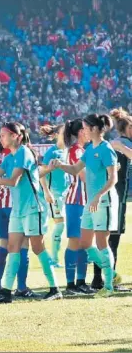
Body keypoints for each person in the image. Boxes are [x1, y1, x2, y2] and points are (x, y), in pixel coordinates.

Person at [0, 122, 62, 303]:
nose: (0, 138)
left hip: (33, 208)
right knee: (12, 248)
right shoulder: (9, 157)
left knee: (38, 248)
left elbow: (13, 181)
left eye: (3, 135)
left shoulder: (24, 152)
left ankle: (55, 289)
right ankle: (6, 292)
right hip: (18, 210)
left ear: (16, 136)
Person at [51, 114, 122, 298]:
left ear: (95, 129)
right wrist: (60, 165)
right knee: (84, 242)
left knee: (101, 243)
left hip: (103, 201)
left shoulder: (106, 149)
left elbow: (113, 178)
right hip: (90, 202)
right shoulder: (90, 149)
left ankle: (108, 286)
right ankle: (112, 275)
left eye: (85, 127)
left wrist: (99, 195)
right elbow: (75, 169)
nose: (83, 131)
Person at [0, 133, 35, 298]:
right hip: (18, 206)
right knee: (23, 247)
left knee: (4, 245)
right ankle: (21, 286)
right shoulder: (21, 153)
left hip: (2, 205)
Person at [92, 108, 132, 291]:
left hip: (104, 195)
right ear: (128, 128)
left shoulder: (112, 144)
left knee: (102, 238)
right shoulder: (122, 145)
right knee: (111, 240)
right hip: (116, 197)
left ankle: (97, 279)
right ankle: (108, 280)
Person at [60, 119, 96, 295]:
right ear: (81, 132)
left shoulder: (81, 150)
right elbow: (83, 176)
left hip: (83, 201)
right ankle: (71, 284)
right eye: (87, 129)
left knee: (83, 242)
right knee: (75, 241)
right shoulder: (77, 151)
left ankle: (80, 281)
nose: (90, 131)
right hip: (76, 201)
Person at [39, 125, 68, 268]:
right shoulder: (51, 151)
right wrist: (46, 191)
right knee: (60, 224)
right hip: (54, 193)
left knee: (66, 225)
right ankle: (54, 259)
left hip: (66, 194)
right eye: (64, 132)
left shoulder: (68, 151)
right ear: (57, 134)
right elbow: (42, 174)